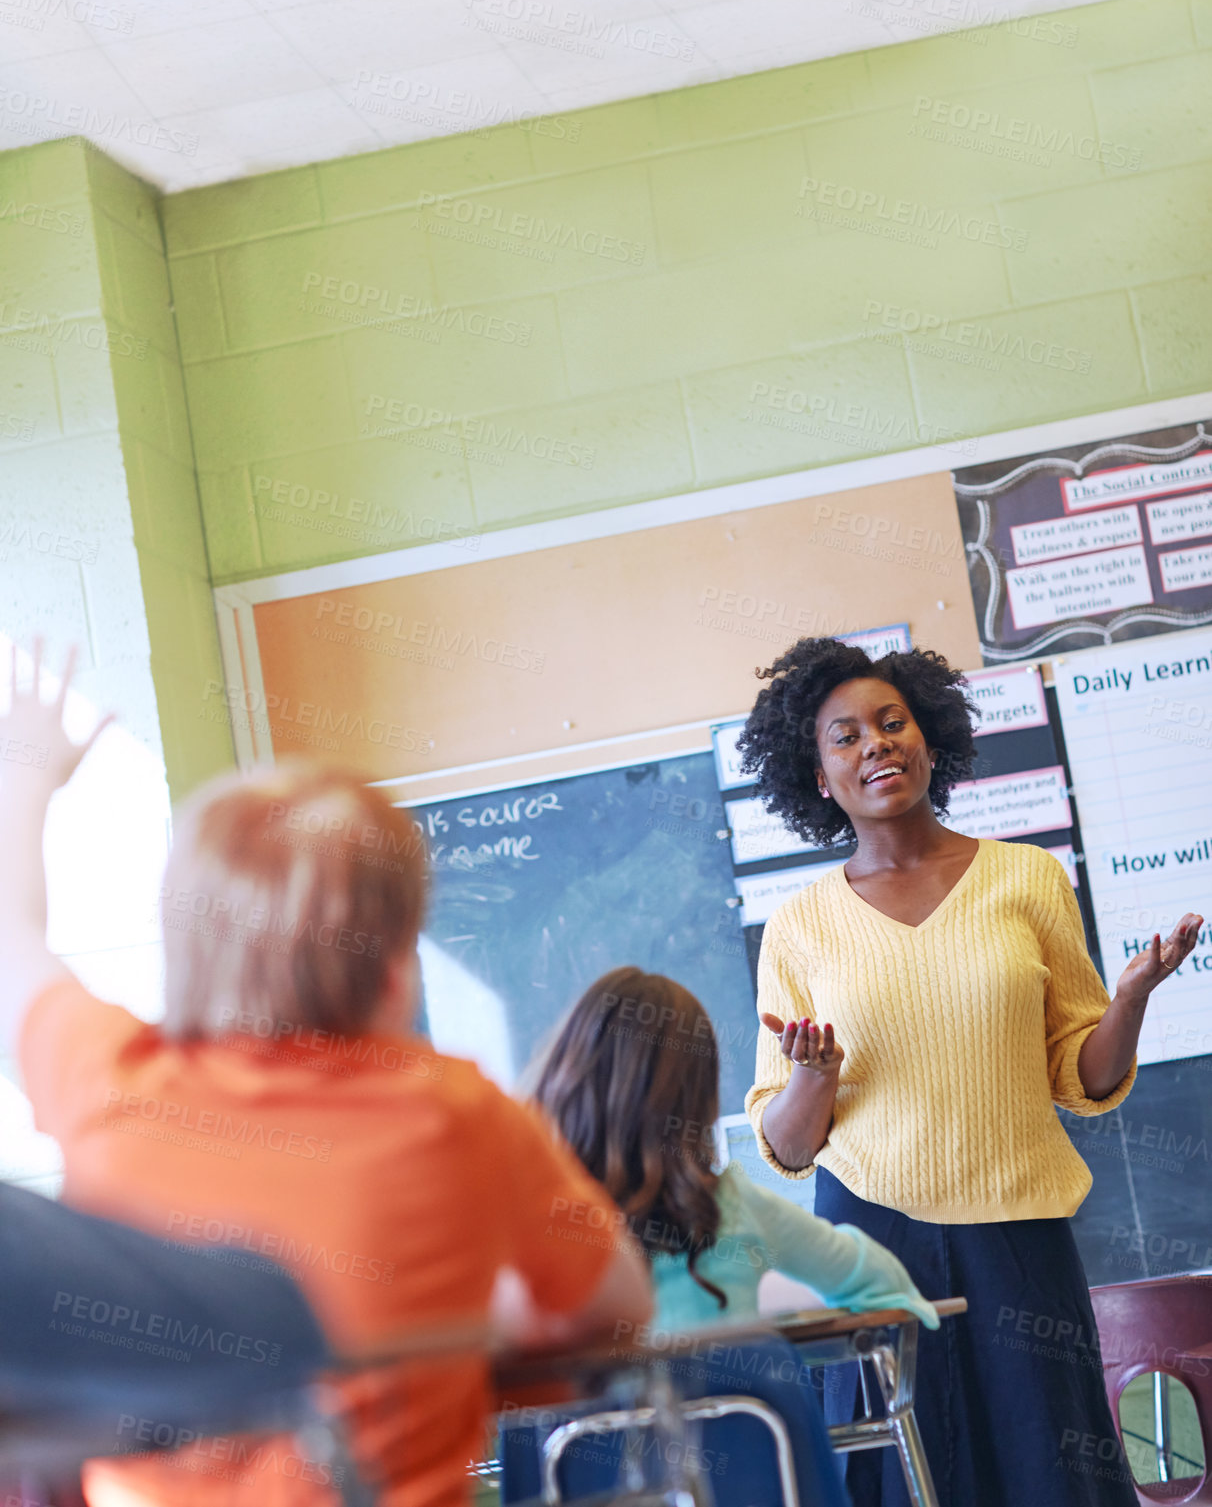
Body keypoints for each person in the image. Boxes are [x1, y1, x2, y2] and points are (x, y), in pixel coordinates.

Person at [0, 643, 652, 1507]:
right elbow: (614, 1309)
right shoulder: (461, 1110)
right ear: (394, 966)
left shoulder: (107, 1074)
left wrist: (28, 772)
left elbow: (12, 933)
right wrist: (458, 1331)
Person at [739, 636, 1205, 1507]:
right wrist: (812, 1074)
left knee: (1052, 1469)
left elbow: (1083, 1076)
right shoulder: (799, 925)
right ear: (817, 777)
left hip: (1017, 1230)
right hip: (873, 1246)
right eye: (846, 736)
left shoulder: (1028, 879)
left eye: (892, 722)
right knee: (903, 1478)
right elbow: (788, 1143)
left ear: (929, 738)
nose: (877, 743)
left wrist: (1134, 995)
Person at [528, 966, 939, 1333]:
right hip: (746, 1416)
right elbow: (877, 1279)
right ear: (698, 1097)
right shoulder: (732, 1206)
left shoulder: (530, 1219)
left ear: (564, 1079)